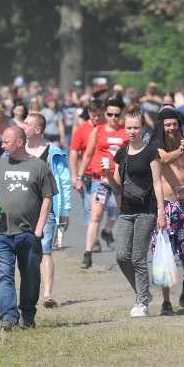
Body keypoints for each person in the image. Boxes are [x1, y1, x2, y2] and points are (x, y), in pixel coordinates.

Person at [0, 126, 57, 331]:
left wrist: (39, 229)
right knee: (2, 277)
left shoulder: (39, 166)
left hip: (28, 233)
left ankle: (28, 314)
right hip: (2, 233)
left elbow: (47, 198)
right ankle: (8, 318)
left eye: (6, 142)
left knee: (30, 277)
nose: (1, 145)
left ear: (19, 142)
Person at [104, 105, 167, 318]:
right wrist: (107, 173)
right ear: (124, 128)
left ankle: (142, 303)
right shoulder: (121, 154)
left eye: (136, 128)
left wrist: (161, 213)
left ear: (142, 129)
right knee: (122, 256)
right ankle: (143, 293)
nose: (132, 131)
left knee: (138, 257)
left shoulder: (151, 152)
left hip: (147, 210)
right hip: (126, 210)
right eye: (129, 128)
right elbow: (116, 186)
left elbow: (158, 184)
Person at [150, 108, 184, 312]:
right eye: (168, 125)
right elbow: (164, 159)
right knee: (164, 253)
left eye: (174, 124)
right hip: (165, 206)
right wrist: (183, 148)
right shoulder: (156, 146)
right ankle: (166, 301)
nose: (172, 128)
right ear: (161, 128)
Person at [21, 112, 71, 309]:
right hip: (23, 210)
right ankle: (28, 291)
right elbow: (1, 171)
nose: (23, 126)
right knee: (25, 252)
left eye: (27, 123)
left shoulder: (54, 153)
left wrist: (65, 211)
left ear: (37, 129)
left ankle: (48, 294)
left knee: (45, 250)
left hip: (47, 209)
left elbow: (64, 182)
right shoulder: (17, 149)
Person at [77, 98, 128, 268]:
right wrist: (79, 176)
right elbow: (88, 155)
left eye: (117, 115)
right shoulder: (97, 131)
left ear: (122, 115)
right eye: (110, 114)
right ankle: (88, 254)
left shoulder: (126, 132)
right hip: (99, 180)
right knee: (96, 216)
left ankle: (109, 233)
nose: (113, 118)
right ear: (105, 114)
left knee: (122, 213)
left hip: (119, 181)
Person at [68, 99, 112, 257]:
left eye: (99, 116)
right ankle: (94, 240)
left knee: (113, 207)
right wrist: (75, 176)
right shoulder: (82, 129)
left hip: (109, 176)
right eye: (93, 116)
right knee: (90, 208)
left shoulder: (110, 128)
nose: (96, 119)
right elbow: (74, 152)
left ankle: (107, 230)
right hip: (88, 175)